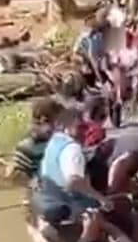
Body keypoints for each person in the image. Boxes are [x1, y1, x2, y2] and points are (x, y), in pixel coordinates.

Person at [29, 97, 113, 228]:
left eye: (85, 127)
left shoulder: (55, 141)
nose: (85, 131)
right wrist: (101, 199)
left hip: (50, 196)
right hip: (68, 204)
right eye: (81, 127)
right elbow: (73, 182)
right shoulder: (73, 149)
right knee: (114, 227)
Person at [74, 12, 109, 90]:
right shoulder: (84, 34)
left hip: (98, 54)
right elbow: (77, 48)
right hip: (90, 56)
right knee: (95, 68)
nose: (94, 23)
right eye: (91, 22)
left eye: (94, 21)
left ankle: (102, 83)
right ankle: (100, 83)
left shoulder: (98, 33)